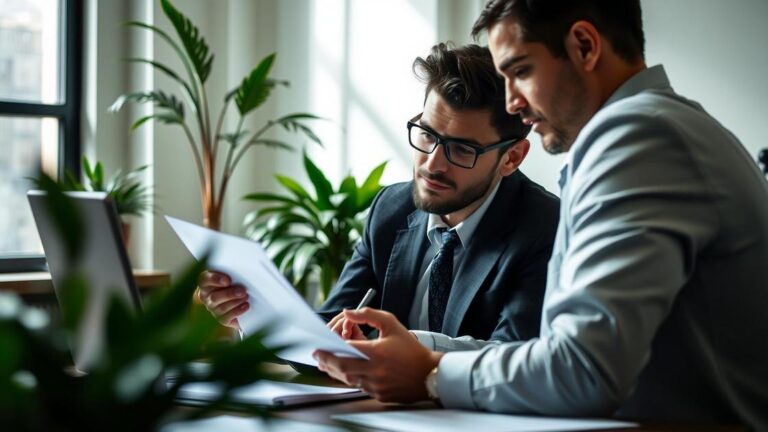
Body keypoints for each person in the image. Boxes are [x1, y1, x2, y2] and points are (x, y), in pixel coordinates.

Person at [313, 0, 768, 429]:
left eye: (520, 71)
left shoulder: (638, 137)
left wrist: (431, 372)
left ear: (585, 46)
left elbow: (583, 369)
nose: (513, 103)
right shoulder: (664, 128)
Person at [198, 43, 560, 350]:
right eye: (427, 134)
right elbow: (330, 325)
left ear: (511, 157)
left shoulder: (544, 225)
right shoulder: (391, 208)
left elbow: (515, 354)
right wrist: (251, 311)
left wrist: (410, 347)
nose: (432, 163)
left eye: (462, 150)